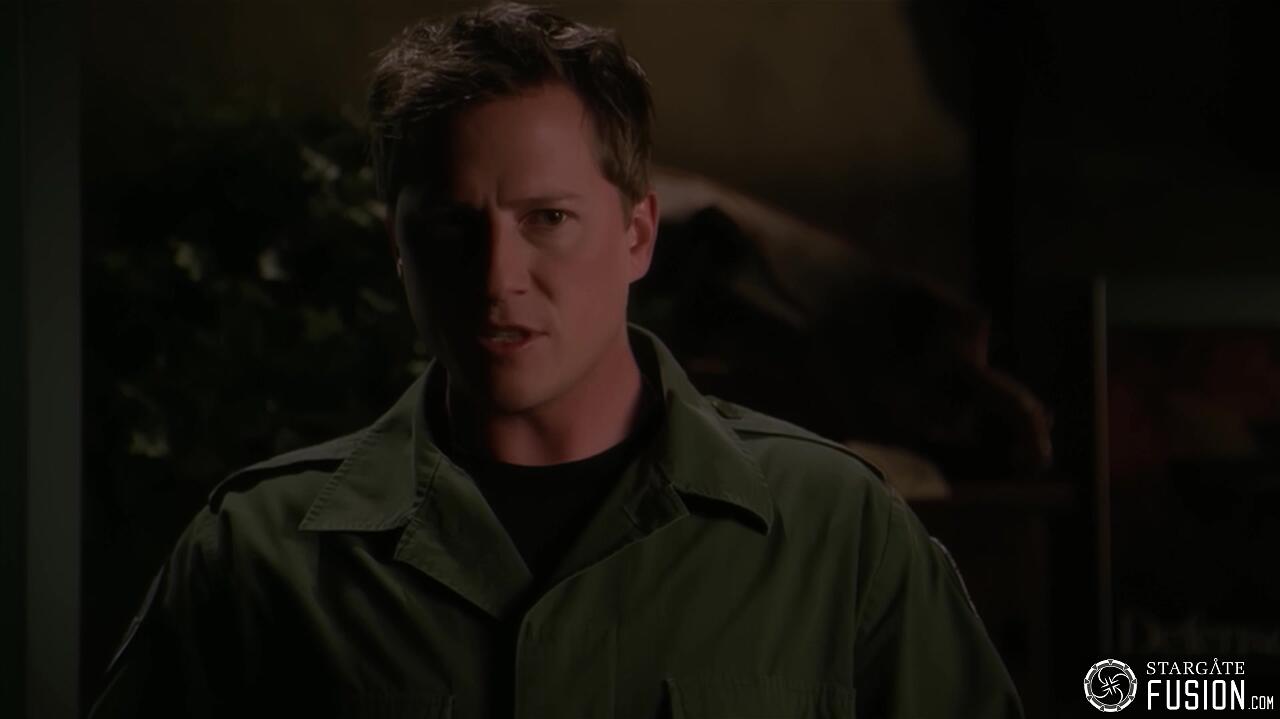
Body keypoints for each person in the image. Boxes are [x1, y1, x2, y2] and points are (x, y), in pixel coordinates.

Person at [91, 3, 1023, 717]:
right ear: (398, 249)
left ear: (637, 234)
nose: (498, 277)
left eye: (548, 218)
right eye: (452, 226)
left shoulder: (834, 531)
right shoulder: (261, 554)